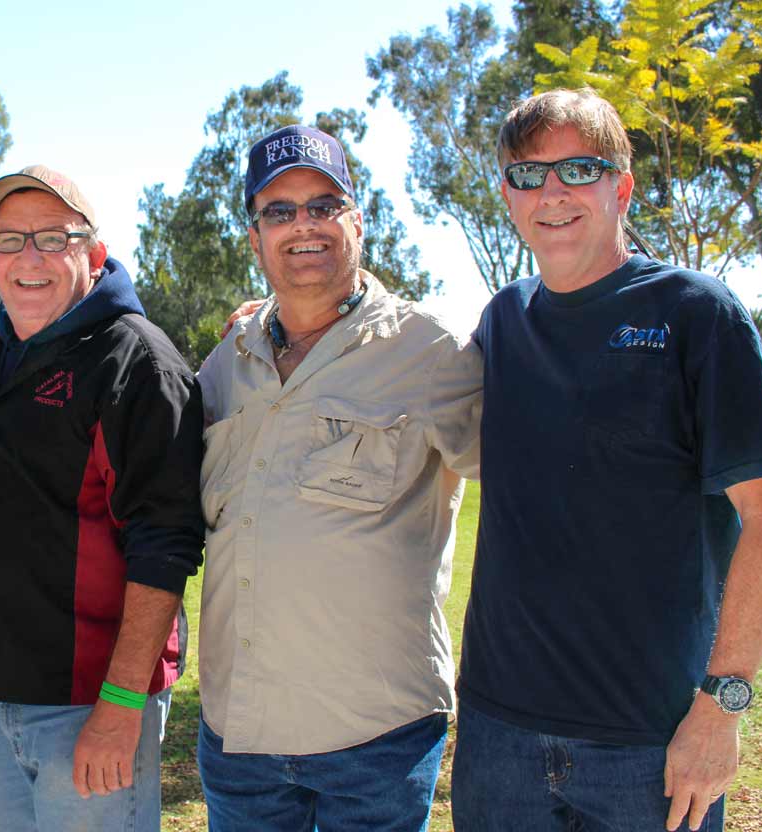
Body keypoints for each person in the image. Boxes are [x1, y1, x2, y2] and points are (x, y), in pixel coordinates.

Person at [453, 88, 762, 832]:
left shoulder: (697, 313)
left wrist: (723, 706)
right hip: (498, 736)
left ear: (622, 186)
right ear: (508, 197)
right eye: (527, 175)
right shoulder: (501, 321)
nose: (552, 193)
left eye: (578, 168)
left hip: (654, 741)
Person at [195, 125, 482, 831]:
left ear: (357, 219)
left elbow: (537, 495)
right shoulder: (225, 363)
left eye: (324, 205)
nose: (304, 227)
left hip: (377, 737)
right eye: (280, 212)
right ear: (256, 238)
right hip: (239, 735)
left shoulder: (433, 352)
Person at [0, 165, 204, 831]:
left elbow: (164, 545)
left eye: (53, 239)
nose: (30, 258)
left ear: (93, 254)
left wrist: (120, 704)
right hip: (3, 702)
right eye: (11, 239)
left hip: (92, 706)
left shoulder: (135, 363)